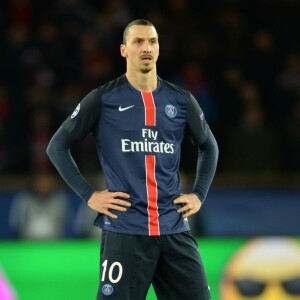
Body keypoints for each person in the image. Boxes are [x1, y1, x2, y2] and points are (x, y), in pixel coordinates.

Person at [47, 19, 218, 300]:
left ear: (159, 49)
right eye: (138, 41)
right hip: (125, 232)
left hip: (173, 228)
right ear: (124, 50)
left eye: (152, 41)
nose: (146, 47)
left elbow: (209, 147)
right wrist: (89, 195)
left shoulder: (182, 100)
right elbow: (57, 147)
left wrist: (198, 195)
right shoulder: (103, 99)